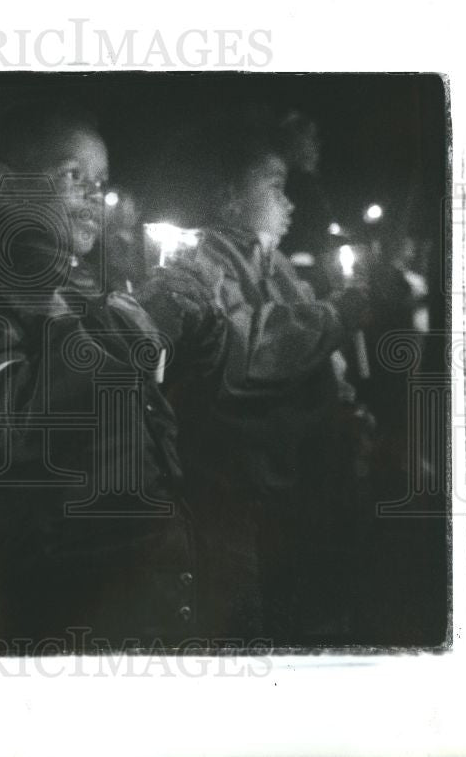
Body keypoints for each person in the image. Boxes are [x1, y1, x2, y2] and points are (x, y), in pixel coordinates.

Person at [0, 100, 199, 649]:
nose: (94, 196)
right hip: (58, 603)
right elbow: (8, 425)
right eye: (72, 176)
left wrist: (164, 327)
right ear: (4, 185)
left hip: (138, 585)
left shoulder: (84, 295)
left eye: (101, 181)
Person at [146, 116, 370, 643]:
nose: (289, 204)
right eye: (274, 188)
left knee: (300, 617)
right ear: (228, 199)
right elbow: (248, 348)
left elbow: (317, 351)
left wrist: (345, 401)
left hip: (286, 489)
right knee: (240, 625)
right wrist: (337, 317)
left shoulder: (276, 265)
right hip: (227, 489)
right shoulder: (202, 263)